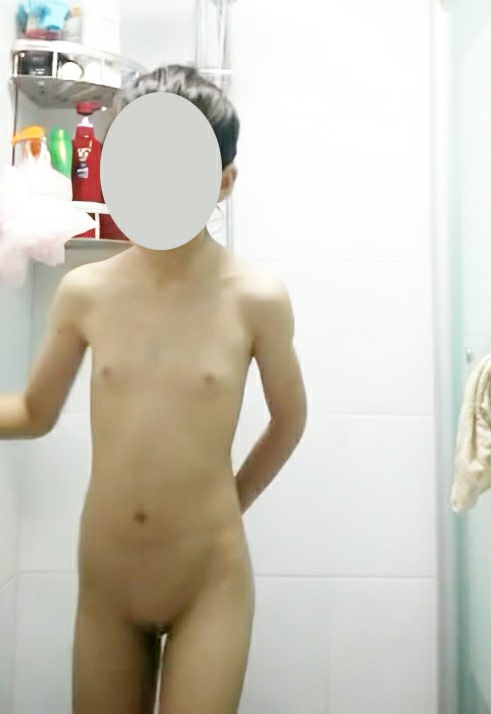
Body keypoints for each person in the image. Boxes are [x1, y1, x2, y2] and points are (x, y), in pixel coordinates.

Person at [0, 64, 307, 714]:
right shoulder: (87, 291)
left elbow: (289, 420)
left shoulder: (256, 298)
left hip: (208, 581)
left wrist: (230, 503)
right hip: (108, 583)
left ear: (223, 182)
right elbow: (32, 411)